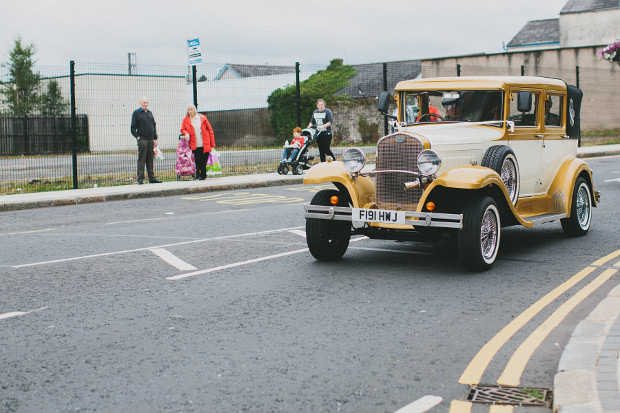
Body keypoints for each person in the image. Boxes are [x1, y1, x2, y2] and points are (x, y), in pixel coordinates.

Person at [130, 97, 161, 184]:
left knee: (150, 159)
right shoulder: (136, 113)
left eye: (147, 102)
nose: (145, 104)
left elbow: (153, 125)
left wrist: (155, 138)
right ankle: (140, 179)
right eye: (144, 102)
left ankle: (152, 178)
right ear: (140, 103)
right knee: (142, 159)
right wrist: (138, 137)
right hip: (143, 140)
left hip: (151, 139)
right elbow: (132, 128)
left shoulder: (150, 113)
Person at [180, 104, 215, 180]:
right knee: (197, 160)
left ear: (194, 110)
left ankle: (203, 174)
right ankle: (199, 174)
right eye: (189, 110)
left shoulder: (202, 118)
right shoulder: (186, 120)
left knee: (204, 159)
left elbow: (210, 130)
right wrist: (186, 133)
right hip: (195, 143)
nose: (190, 111)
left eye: (191, 109)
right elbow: (182, 129)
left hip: (205, 142)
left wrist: (212, 143)